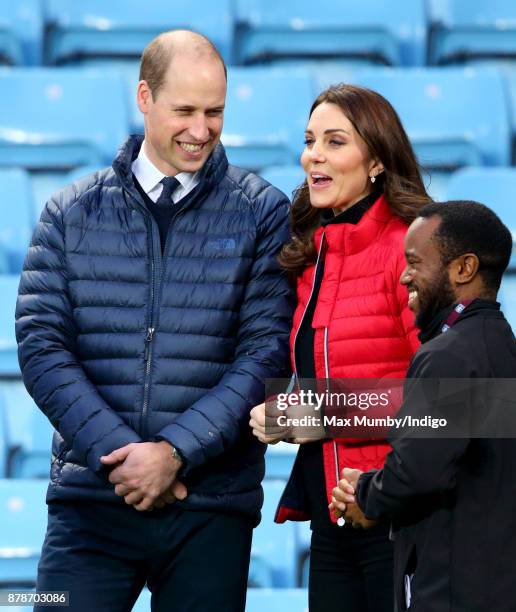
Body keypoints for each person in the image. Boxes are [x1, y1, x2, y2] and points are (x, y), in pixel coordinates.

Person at [15, 30, 293, 612]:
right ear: (145, 98)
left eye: (214, 112)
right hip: (93, 502)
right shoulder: (70, 212)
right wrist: (124, 456)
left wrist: (173, 453)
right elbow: (41, 347)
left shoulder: (263, 211)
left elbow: (265, 353)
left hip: (210, 506)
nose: (201, 130)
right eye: (184, 111)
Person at [250, 84, 432, 611]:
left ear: (375, 159)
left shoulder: (410, 247)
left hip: (399, 513)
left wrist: (312, 413)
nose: (315, 156)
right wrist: (286, 412)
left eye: (335, 142)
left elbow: (451, 401)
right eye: (310, 141)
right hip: (335, 516)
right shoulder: (310, 256)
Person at [331, 200, 516, 611]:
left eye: (415, 262)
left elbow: (416, 473)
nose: (404, 275)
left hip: (449, 588)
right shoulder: (502, 345)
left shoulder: (447, 356)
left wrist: (363, 494)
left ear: (463, 269)